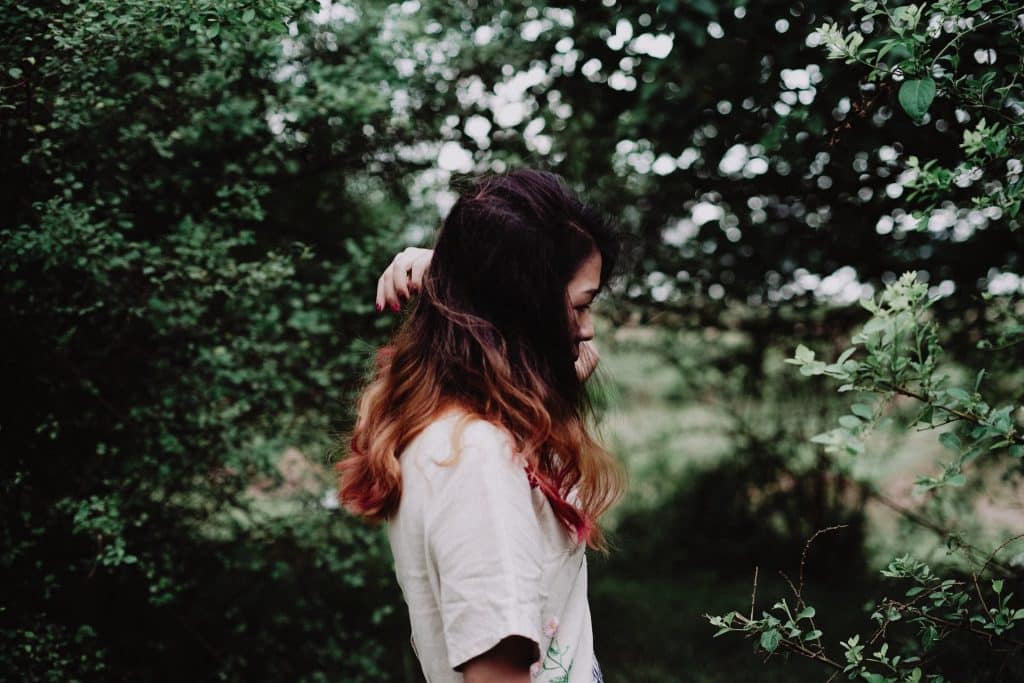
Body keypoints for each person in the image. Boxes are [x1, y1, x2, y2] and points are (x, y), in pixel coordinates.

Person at [336, 169, 625, 682]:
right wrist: (469, 284)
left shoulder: (499, 418)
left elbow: (579, 357)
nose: (588, 329)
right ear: (525, 310)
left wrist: (456, 276)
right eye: (580, 307)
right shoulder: (476, 460)